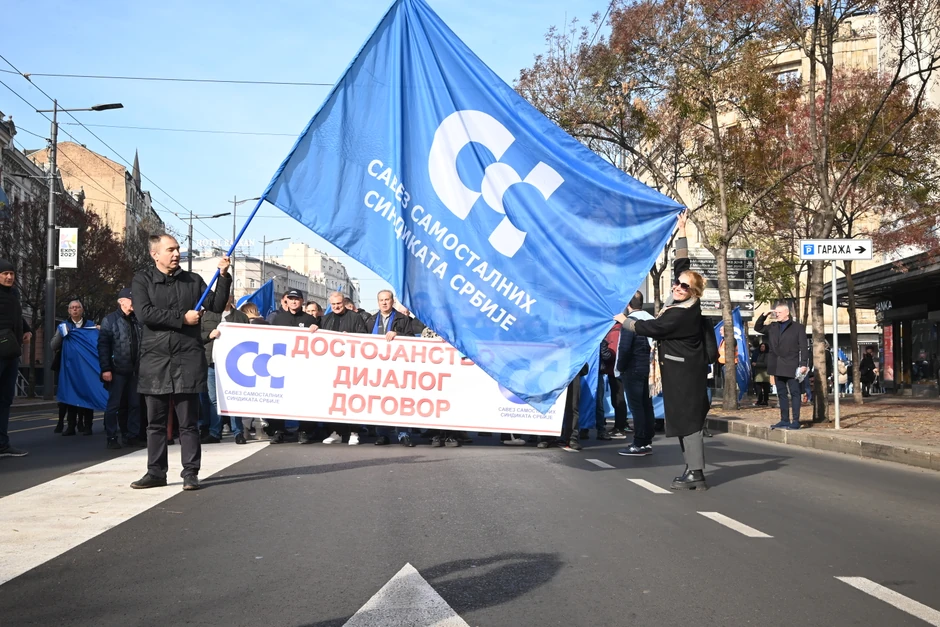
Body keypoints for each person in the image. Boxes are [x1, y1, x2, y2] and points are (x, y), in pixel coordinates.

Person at [615, 211, 711, 490]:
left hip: (684, 372)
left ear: (693, 292)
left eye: (684, 286)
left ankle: (696, 473)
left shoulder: (681, 314)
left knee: (688, 421)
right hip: (680, 370)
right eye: (677, 283)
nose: (678, 287)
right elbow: (683, 264)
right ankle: (691, 469)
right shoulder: (679, 301)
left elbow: (651, 329)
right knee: (683, 420)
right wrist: (682, 232)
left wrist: (624, 321)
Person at [130, 234, 231, 491]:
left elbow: (216, 304)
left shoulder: (193, 280)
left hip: (187, 357)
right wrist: (181, 319)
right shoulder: (143, 280)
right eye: (170, 250)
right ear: (155, 254)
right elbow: (145, 314)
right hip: (155, 360)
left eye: (177, 250)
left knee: (188, 423)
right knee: (155, 423)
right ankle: (155, 472)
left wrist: (223, 276)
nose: (176, 254)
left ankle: (190, 473)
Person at [366, 289, 418, 446]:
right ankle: (382, 434)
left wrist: (398, 334)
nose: (384, 302)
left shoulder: (403, 319)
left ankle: (403, 434)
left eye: (387, 299)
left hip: (397, 367)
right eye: (381, 300)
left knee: (400, 401)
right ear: (378, 302)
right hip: (377, 368)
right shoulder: (370, 320)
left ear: (392, 301)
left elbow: (412, 340)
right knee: (380, 401)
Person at [268, 288, 320, 444]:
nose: (293, 301)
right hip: (282, 365)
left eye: (296, 299)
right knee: (278, 399)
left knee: (304, 399)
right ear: (286, 300)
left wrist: (316, 331)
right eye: (290, 298)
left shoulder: (310, 320)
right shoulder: (277, 319)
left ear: (302, 301)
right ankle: (278, 430)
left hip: (303, 367)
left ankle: (304, 430)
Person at [316, 291, 368, 444]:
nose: (336, 307)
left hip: (351, 367)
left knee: (351, 400)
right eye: (333, 304)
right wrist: (313, 327)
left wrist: (351, 337)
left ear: (344, 303)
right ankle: (335, 432)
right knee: (332, 401)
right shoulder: (325, 319)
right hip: (331, 367)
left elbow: (363, 337)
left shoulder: (355, 317)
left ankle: (354, 432)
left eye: (339, 304)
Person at [98, 287, 144, 449]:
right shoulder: (110, 320)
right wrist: (106, 369)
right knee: (114, 405)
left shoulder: (137, 320)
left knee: (135, 405)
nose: (135, 303)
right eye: (132, 299)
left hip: (134, 371)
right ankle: (111, 436)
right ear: (122, 302)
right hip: (116, 370)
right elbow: (103, 346)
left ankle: (131, 435)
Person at [201, 295, 250, 444]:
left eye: (225, 297)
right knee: (213, 400)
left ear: (231, 299)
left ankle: (238, 432)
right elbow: (197, 335)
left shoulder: (241, 317)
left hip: (233, 365)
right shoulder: (206, 315)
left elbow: (249, 338)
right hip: (211, 362)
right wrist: (209, 335)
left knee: (233, 398)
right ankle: (215, 432)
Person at [754, 301, 809, 431]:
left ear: (787, 313)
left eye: (779, 312)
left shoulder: (798, 328)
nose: (777, 315)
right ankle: (784, 419)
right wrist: (764, 315)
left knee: (795, 393)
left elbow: (803, 347)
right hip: (776, 364)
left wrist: (803, 364)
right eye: (776, 312)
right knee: (781, 393)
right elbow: (758, 327)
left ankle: (795, 421)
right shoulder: (773, 326)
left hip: (791, 364)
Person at [50, 300, 98, 436]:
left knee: (88, 394)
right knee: (70, 396)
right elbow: (53, 346)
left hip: (86, 366)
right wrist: (61, 334)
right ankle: (71, 426)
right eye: (72, 308)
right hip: (68, 367)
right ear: (69, 311)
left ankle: (88, 425)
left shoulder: (90, 325)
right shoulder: (63, 326)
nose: (75, 310)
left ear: (82, 310)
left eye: (77, 307)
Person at [617, 292, 656, 456]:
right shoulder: (652, 320)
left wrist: (620, 368)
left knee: (636, 407)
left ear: (628, 305)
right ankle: (647, 441)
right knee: (647, 405)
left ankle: (639, 442)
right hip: (649, 370)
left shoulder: (629, 322)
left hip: (633, 369)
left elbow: (624, 348)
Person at [0, 258, 31, 457]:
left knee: (5, 400)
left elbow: (16, 316)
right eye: (5, 274)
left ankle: (3, 444)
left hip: (11, 352)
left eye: (11, 273)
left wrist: (26, 329)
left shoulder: (14, 294)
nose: (9, 277)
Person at [752, 342, 770, 406]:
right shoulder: (759, 354)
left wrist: (756, 364)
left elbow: (766, 364)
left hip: (764, 373)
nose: (762, 348)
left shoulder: (767, 355)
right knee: (758, 387)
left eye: (763, 347)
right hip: (759, 373)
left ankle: (765, 400)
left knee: (765, 388)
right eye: (761, 346)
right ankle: (760, 400)